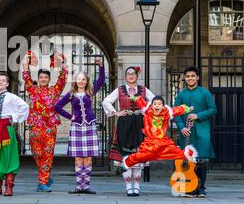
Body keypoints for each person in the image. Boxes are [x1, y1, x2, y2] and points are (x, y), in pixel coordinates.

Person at [54, 58, 105, 194]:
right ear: (75, 81)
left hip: (89, 126)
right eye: (79, 79)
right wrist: (70, 117)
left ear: (86, 81)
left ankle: (86, 186)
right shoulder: (71, 94)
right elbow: (57, 106)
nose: (81, 81)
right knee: (78, 157)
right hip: (76, 127)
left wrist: (101, 66)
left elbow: (101, 80)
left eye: (83, 79)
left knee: (88, 157)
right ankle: (78, 186)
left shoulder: (90, 92)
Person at [102, 66, 154, 196]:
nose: (131, 76)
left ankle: (136, 186)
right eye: (128, 74)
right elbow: (106, 101)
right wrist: (116, 112)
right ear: (125, 77)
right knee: (125, 155)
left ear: (137, 76)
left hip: (139, 123)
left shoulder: (143, 90)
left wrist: (146, 110)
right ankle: (128, 187)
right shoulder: (119, 90)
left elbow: (155, 101)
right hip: (124, 123)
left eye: (133, 74)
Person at [22, 52, 68, 192]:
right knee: (37, 154)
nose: (43, 79)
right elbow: (26, 76)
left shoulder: (55, 91)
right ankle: (45, 176)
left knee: (47, 155)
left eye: (45, 77)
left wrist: (62, 63)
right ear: (38, 78)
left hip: (50, 128)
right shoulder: (32, 90)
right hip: (36, 126)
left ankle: (42, 182)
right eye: (41, 77)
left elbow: (63, 78)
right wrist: (25, 62)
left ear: (49, 79)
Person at [122, 95, 198, 176]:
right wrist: (133, 97)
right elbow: (140, 102)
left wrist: (188, 109)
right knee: (140, 156)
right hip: (150, 144)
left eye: (159, 104)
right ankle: (126, 164)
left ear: (163, 106)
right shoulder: (147, 111)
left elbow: (177, 110)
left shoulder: (167, 113)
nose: (157, 105)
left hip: (163, 143)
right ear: (151, 105)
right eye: (154, 104)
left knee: (176, 152)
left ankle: (192, 157)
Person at [174, 66, 217, 198]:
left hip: (202, 131)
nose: (190, 78)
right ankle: (191, 188)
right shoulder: (181, 95)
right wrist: (181, 127)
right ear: (185, 79)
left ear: (197, 77)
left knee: (202, 159)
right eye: (187, 76)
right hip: (186, 133)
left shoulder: (205, 93)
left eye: (193, 76)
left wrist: (197, 115)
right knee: (189, 160)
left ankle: (201, 188)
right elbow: (176, 113)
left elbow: (213, 109)